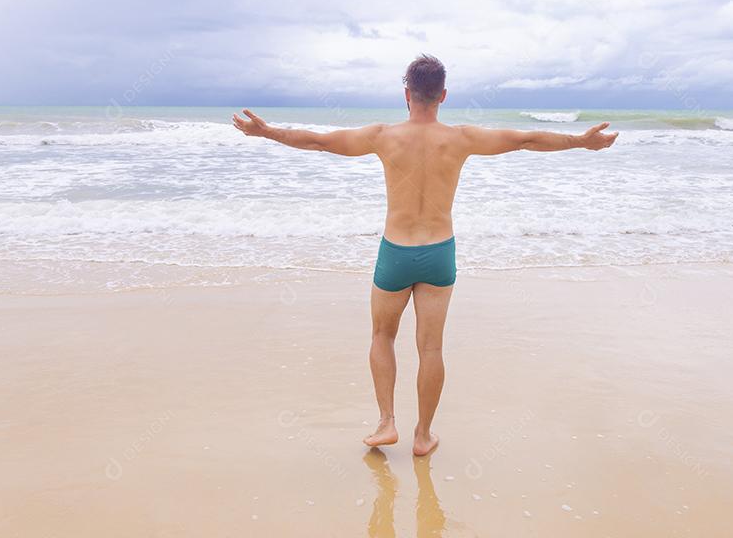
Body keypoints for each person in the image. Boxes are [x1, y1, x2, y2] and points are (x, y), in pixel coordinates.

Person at [232, 54, 618, 455]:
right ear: (443, 96)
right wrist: (580, 141)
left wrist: (267, 132)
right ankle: (423, 435)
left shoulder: (382, 135)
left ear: (406, 95)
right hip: (439, 253)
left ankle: (386, 423)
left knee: (382, 336)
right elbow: (525, 139)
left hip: (395, 252)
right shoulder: (462, 138)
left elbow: (320, 142)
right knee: (431, 348)